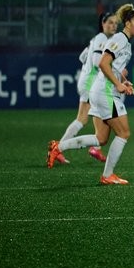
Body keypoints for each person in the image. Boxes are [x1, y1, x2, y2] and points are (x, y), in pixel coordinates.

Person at [47, 4, 134, 184]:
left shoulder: (124, 43)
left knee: (101, 138)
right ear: (128, 23)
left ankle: (58, 147)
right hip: (105, 91)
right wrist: (118, 84)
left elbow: (112, 67)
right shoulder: (120, 39)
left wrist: (123, 82)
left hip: (101, 90)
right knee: (124, 133)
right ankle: (107, 176)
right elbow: (103, 63)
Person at [50, 11, 120, 165]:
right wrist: (114, 68)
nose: (113, 25)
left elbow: (82, 57)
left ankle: (93, 148)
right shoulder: (102, 39)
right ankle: (59, 148)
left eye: (115, 23)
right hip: (90, 83)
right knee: (83, 118)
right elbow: (96, 61)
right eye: (110, 22)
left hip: (87, 81)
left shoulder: (96, 39)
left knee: (97, 115)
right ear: (103, 24)